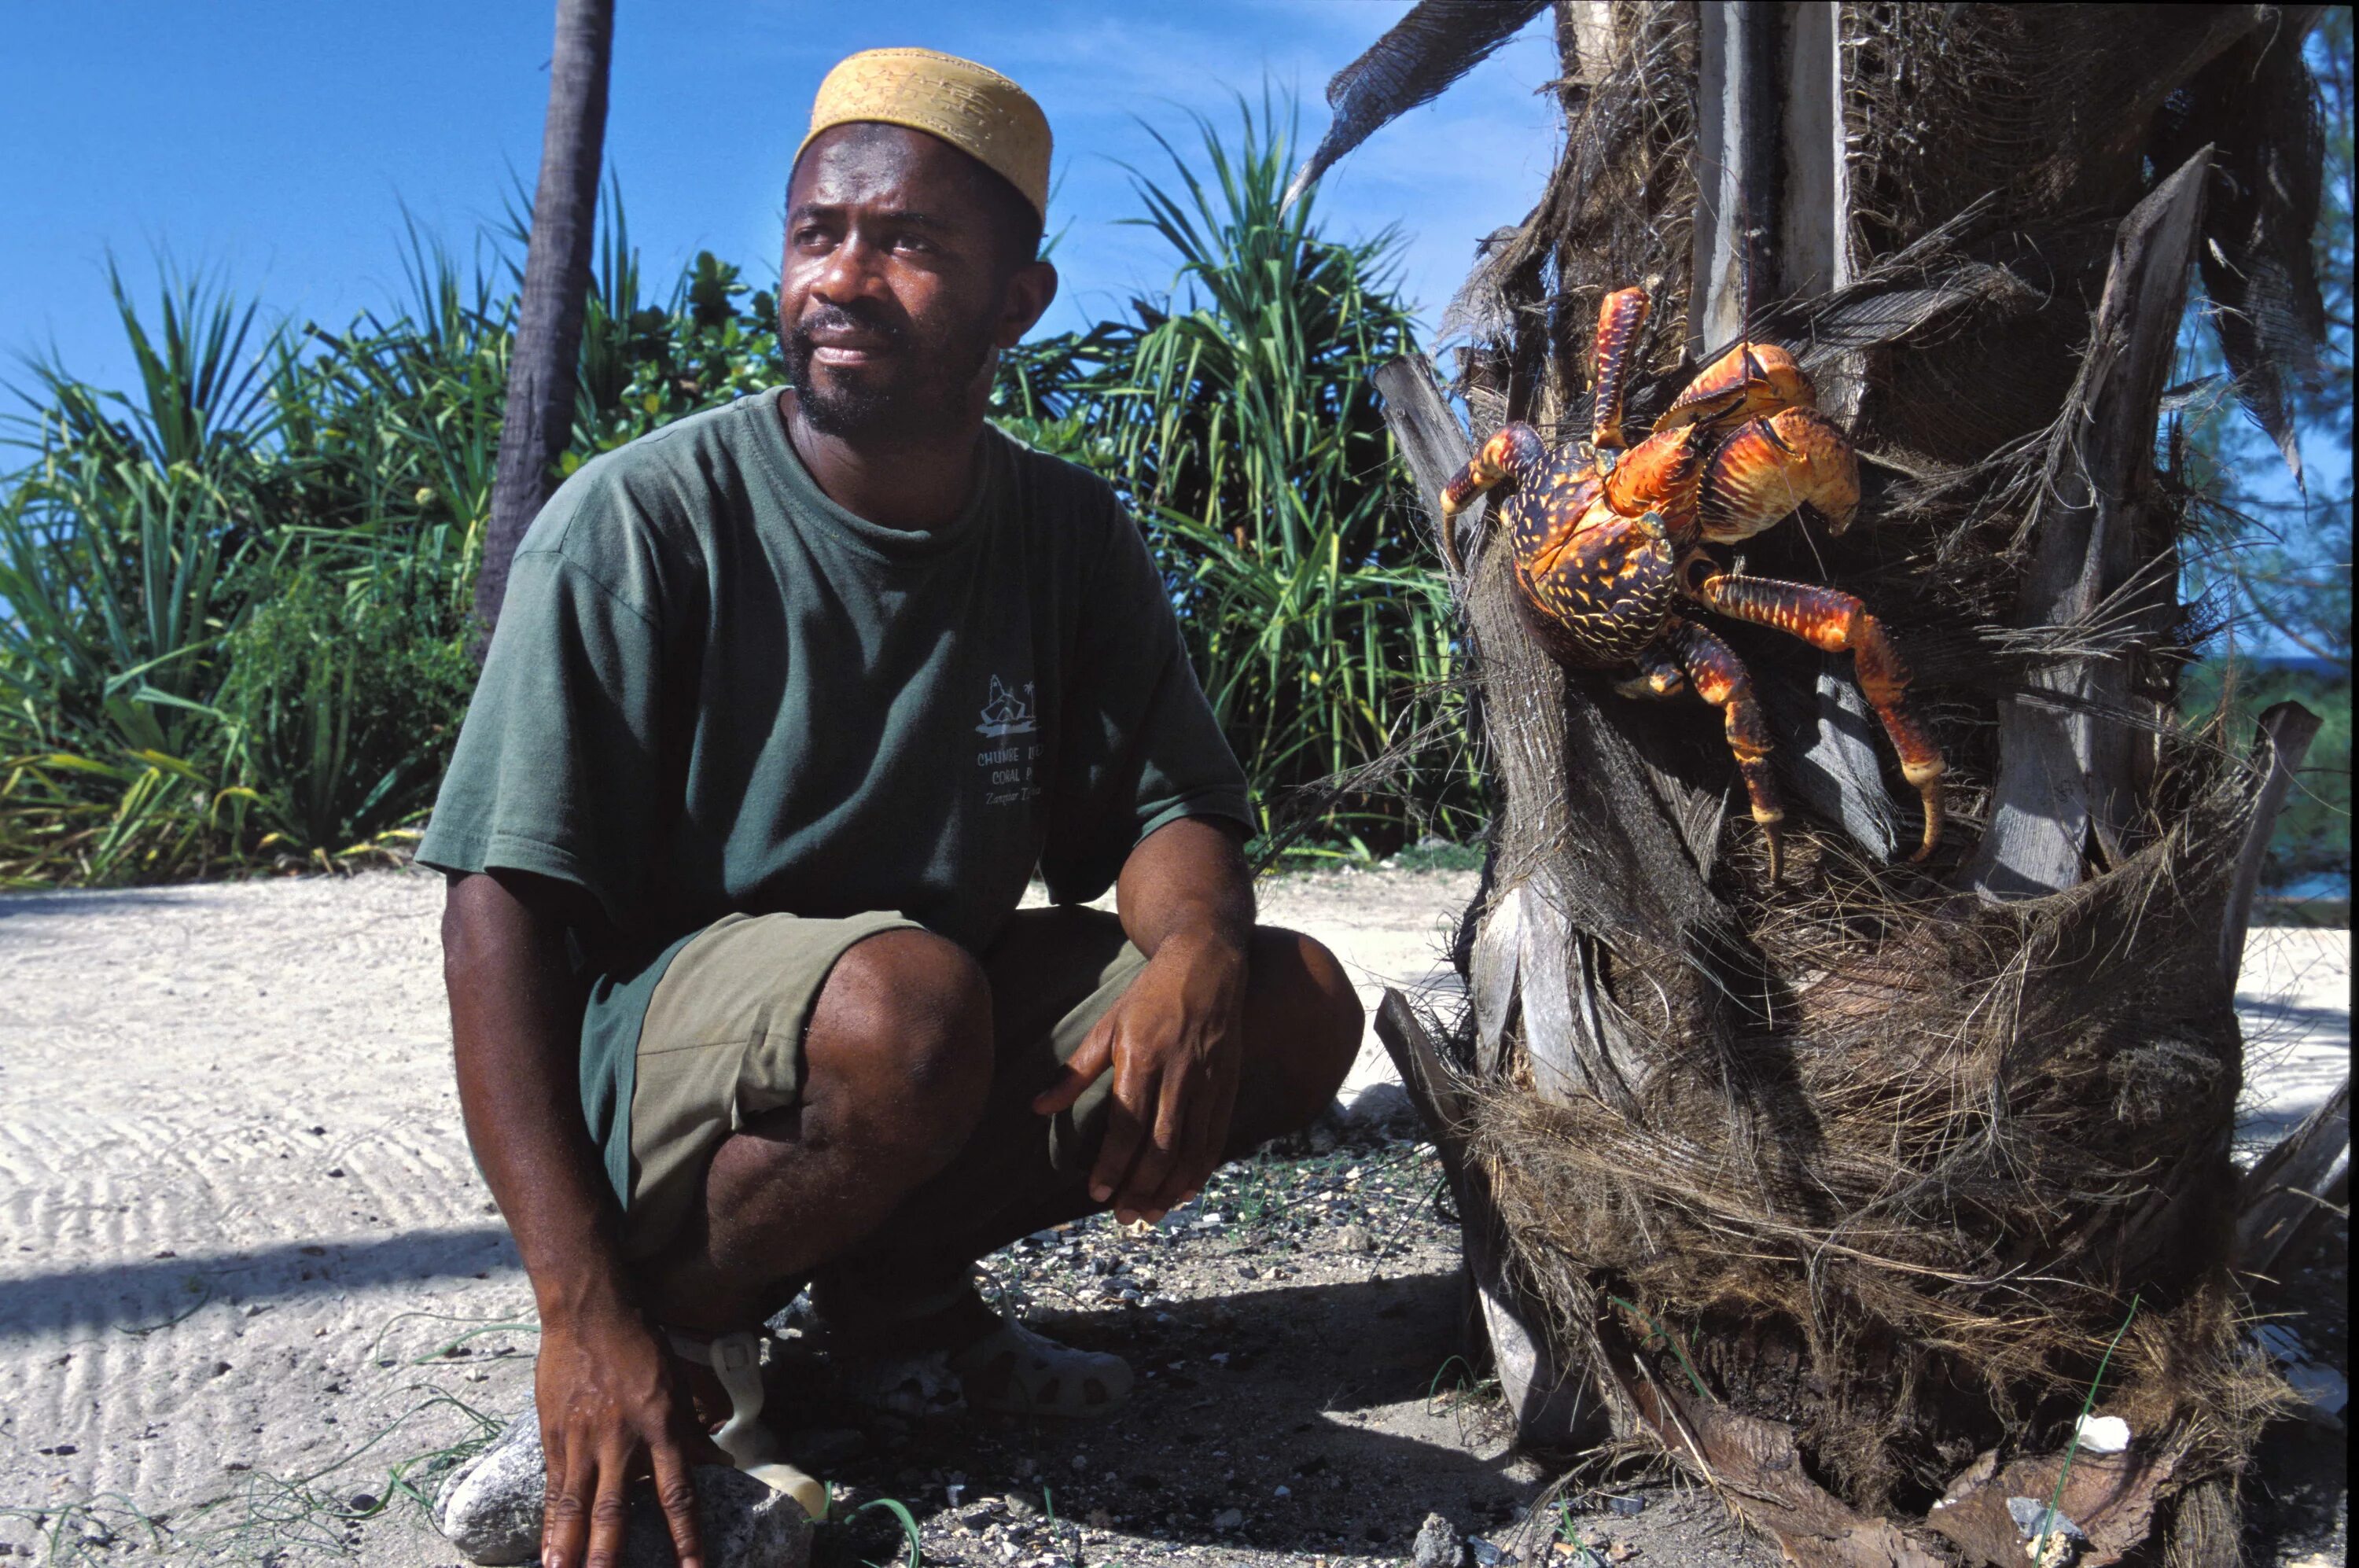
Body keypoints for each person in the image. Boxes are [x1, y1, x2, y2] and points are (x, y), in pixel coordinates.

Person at [421, 47, 1363, 1568]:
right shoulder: (642, 521)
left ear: (1019, 301)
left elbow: (1171, 811)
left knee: (1288, 1000)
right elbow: (495, 916)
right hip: (664, 1084)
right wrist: (576, 1310)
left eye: (910, 243)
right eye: (817, 234)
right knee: (907, 1008)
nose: (844, 277)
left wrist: (1190, 957)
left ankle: (897, 1308)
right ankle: (681, 1347)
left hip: (901, 1041)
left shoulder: (1062, 532)